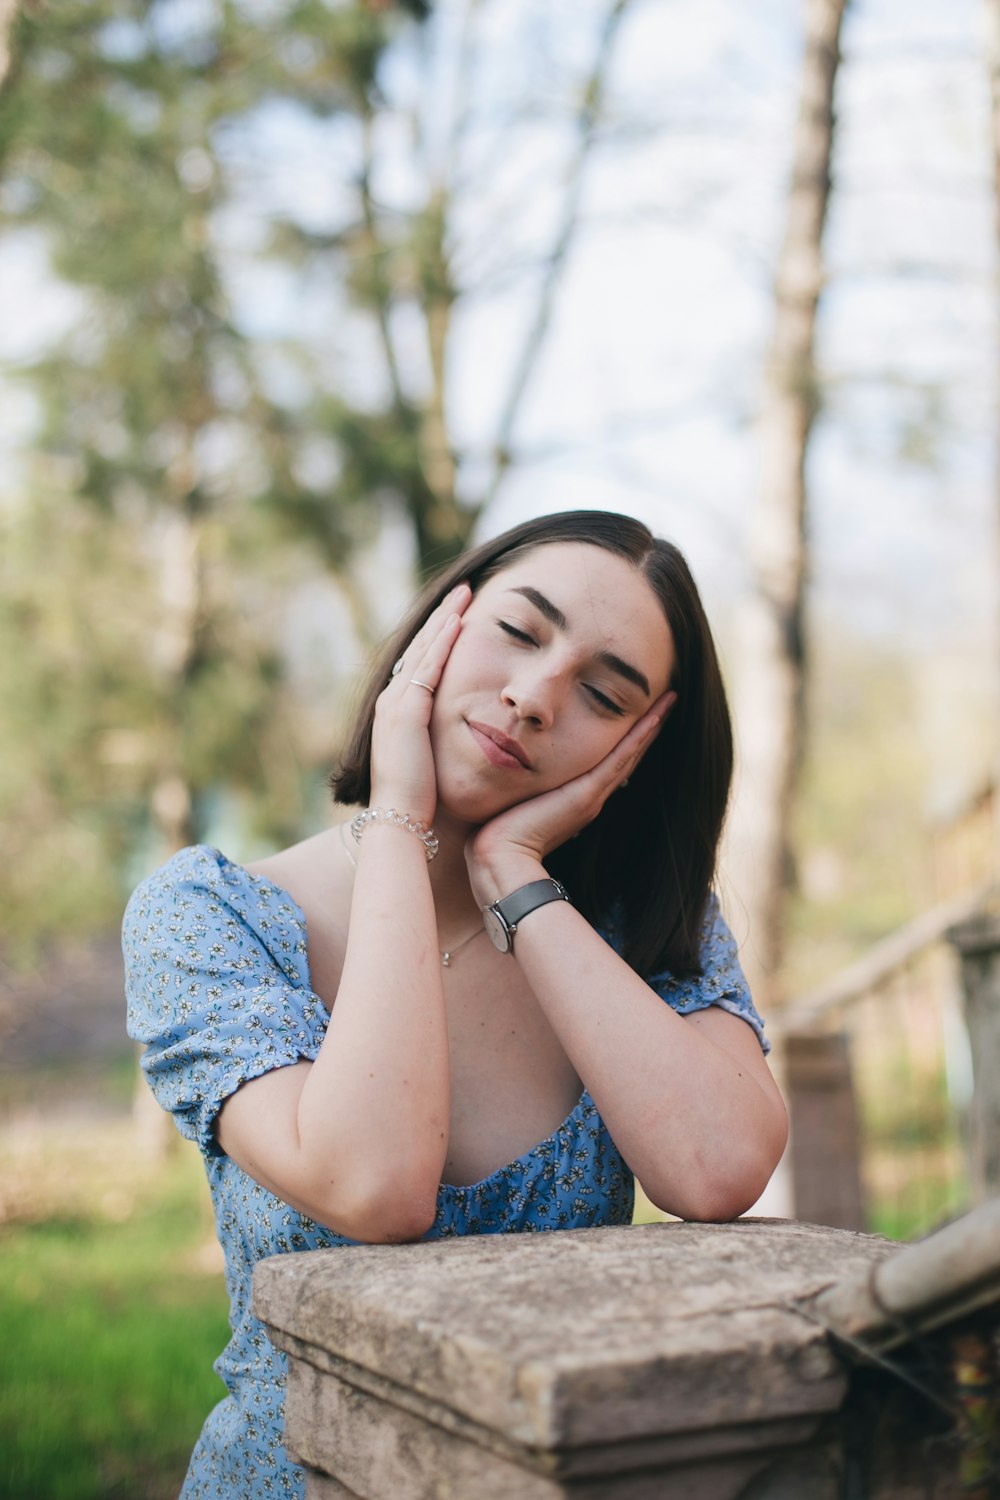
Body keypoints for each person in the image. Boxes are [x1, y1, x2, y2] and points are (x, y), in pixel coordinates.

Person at [123, 508, 787, 1499]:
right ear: (442, 624)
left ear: (640, 750)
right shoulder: (208, 914)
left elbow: (716, 1169)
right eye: (518, 633)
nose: (529, 697)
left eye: (602, 694)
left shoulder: (643, 927)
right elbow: (372, 1183)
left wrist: (517, 879)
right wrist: (399, 822)